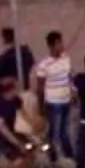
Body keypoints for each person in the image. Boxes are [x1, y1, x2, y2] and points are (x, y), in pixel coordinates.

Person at [34, 30, 76, 158]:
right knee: (53, 132)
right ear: (51, 46)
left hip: (66, 101)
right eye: (58, 43)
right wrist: (41, 107)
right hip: (53, 103)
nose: (61, 45)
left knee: (63, 130)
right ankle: (54, 156)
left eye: (61, 42)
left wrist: (74, 93)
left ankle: (67, 156)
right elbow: (40, 88)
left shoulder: (66, 58)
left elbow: (70, 77)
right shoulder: (44, 65)